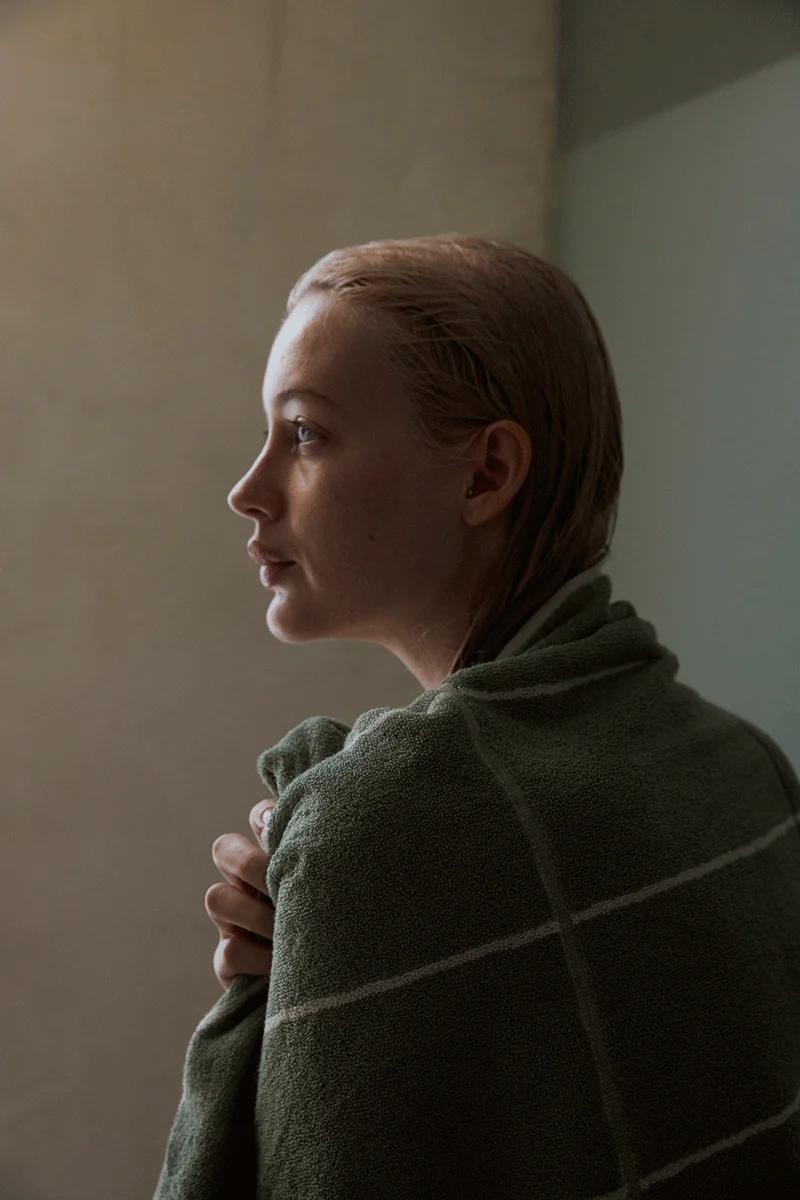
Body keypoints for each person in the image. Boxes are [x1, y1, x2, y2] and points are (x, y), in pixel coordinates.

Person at [157, 234, 800, 1198]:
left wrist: (264, 991)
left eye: (304, 433)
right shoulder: (745, 764)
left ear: (486, 472)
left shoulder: (376, 829)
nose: (247, 492)